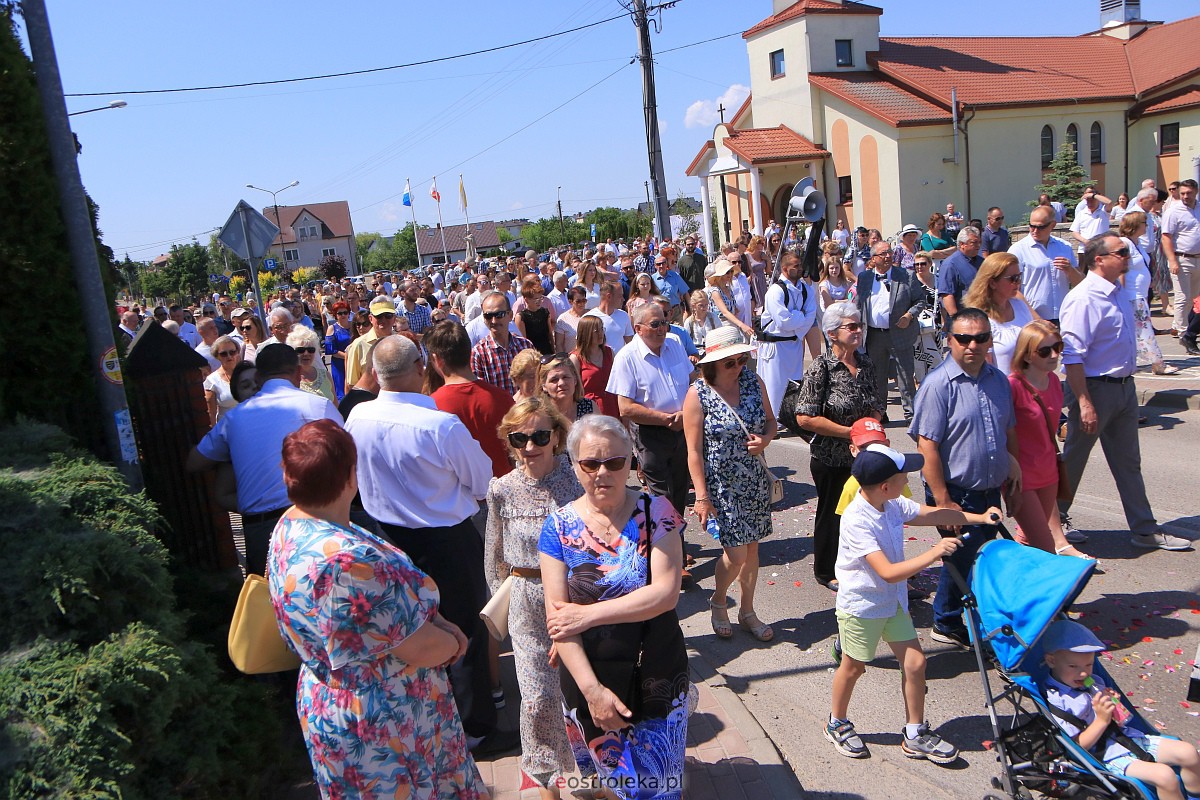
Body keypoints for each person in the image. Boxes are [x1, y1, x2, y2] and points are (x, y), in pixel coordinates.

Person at [268, 419, 485, 799]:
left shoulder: (292, 525)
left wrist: (433, 619)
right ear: (351, 476)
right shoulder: (346, 562)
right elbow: (418, 647)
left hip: (337, 699)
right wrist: (454, 643)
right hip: (386, 717)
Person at [344, 335, 509, 752]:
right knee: (465, 631)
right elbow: (480, 481)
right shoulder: (439, 424)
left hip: (387, 540)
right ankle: (475, 730)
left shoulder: (357, 418)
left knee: (409, 631)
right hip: (445, 540)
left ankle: (435, 720)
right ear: (421, 368)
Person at [539, 415, 689, 800]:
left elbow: (665, 594)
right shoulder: (557, 528)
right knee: (620, 784)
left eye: (615, 462)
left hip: (657, 669)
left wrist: (587, 614)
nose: (602, 472)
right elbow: (559, 623)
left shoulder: (658, 513)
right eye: (590, 463)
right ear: (574, 466)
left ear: (632, 462)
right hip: (591, 678)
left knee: (658, 785)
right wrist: (593, 692)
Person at [825, 445, 995, 762]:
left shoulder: (891, 503)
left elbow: (934, 514)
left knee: (916, 663)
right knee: (854, 667)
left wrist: (980, 518)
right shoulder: (857, 520)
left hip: (893, 604)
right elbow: (887, 573)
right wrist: (934, 552)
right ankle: (837, 722)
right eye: (903, 474)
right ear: (886, 485)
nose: (908, 477)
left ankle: (915, 732)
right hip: (862, 607)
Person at [1057, 232, 1192, 552]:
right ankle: (1052, 522)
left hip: (1124, 389)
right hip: (1095, 389)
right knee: (1074, 458)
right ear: (1099, 259)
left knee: (1128, 462)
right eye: (1120, 252)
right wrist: (1084, 402)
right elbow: (1072, 356)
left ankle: (1144, 529)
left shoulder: (1118, 291)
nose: (1127, 256)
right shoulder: (1083, 298)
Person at [485, 399, 581, 796]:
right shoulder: (501, 489)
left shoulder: (576, 481)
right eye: (519, 437)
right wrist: (500, 606)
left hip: (575, 601)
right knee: (537, 697)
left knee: (574, 692)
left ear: (556, 436)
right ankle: (546, 780)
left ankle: (585, 768)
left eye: (539, 435)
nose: (529, 446)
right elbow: (494, 552)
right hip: (526, 602)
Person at [909, 307, 1020, 648]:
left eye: (981, 338)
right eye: (964, 338)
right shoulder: (938, 385)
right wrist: (943, 500)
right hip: (956, 490)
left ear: (990, 340)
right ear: (949, 340)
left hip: (989, 489)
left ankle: (947, 618)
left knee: (972, 556)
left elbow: (1007, 431)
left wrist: (1012, 466)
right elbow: (927, 446)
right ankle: (952, 621)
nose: (972, 345)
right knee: (965, 557)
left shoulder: (999, 381)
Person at [186, 344, 341, 576]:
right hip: (314, 521)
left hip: (261, 529)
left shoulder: (235, 418)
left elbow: (194, 462)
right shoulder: (317, 406)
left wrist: (235, 452)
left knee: (270, 606)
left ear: (259, 377)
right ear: (298, 373)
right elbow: (348, 459)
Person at [683, 326, 778, 642]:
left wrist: (764, 440)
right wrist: (701, 496)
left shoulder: (752, 381)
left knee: (752, 550)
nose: (738, 367)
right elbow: (693, 450)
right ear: (712, 363)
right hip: (721, 485)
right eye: (730, 362)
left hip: (752, 479)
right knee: (736, 554)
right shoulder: (698, 394)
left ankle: (747, 611)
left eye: (741, 359)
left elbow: (771, 421)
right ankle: (719, 600)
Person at [1042, 620, 1200, 800]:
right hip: (1105, 755)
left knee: (1188, 753)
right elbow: (1075, 749)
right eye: (1074, 666)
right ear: (1051, 661)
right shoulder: (1057, 700)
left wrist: (1114, 705)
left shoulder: (1094, 682)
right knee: (1165, 777)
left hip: (1128, 738)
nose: (1084, 673)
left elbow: (1122, 722)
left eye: (1089, 665)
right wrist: (1101, 720)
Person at [796, 302, 883, 591]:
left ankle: (866, 564)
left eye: (860, 325)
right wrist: (851, 433)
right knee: (832, 515)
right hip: (831, 457)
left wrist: (872, 427)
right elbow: (805, 417)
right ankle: (825, 570)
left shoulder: (866, 363)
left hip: (864, 455)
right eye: (851, 326)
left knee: (866, 514)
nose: (858, 331)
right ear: (832, 334)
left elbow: (876, 404)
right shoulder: (822, 367)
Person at [1006, 321, 1089, 558]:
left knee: (1029, 539)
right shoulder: (1012, 386)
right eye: (1045, 351)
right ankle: (1052, 594)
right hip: (1022, 476)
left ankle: (1021, 584)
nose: (1054, 355)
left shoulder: (1053, 380)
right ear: (1028, 355)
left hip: (1049, 471)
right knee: (1045, 547)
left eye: (1058, 347)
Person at [607, 303, 696, 519]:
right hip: (651, 436)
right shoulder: (626, 357)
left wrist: (686, 414)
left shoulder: (674, 343)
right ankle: (673, 548)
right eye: (655, 324)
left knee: (680, 490)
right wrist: (664, 419)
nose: (661, 329)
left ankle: (675, 543)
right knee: (662, 496)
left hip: (684, 429)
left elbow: (693, 381)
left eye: (664, 322)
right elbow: (625, 408)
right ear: (638, 329)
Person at [425, 320, 515, 480]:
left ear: (437, 360)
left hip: (461, 498)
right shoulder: (503, 398)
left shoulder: (431, 406)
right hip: (503, 488)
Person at [855, 241, 925, 422]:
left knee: (906, 375)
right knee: (877, 376)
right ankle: (880, 412)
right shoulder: (864, 278)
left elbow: (920, 300)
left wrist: (909, 316)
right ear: (873, 259)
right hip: (874, 335)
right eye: (883, 254)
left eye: (890, 252)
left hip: (900, 334)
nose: (888, 256)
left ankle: (911, 414)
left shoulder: (906, 275)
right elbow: (859, 305)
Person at [758, 251, 818, 417]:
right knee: (774, 385)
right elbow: (783, 321)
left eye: (800, 265)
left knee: (794, 382)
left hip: (794, 343)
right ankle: (772, 420)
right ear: (785, 268)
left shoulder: (805, 289)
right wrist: (799, 316)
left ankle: (789, 418)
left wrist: (796, 322)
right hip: (775, 346)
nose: (800, 269)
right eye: (796, 266)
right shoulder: (775, 291)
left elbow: (811, 315)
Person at [1119, 211, 1178, 375]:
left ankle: (1131, 361)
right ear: (1135, 225)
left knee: (1136, 330)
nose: (1147, 226)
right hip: (1131, 295)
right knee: (1144, 329)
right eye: (1144, 223)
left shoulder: (1137, 243)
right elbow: (1121, 270)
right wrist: (1121, 295)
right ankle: (1157, 364)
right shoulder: (1124, 243)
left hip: (1140, 294)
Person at [962, 252, 1037, 375]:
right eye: (1013, 278)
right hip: (1003, 389)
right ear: (992, 283)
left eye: (1019, 276)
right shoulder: (979, 319)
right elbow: (985, 369)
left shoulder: (1020, 306)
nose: (1018, 283)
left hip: (1028, 387)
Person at [1008, 204, 1081, 326]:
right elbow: (1012, 290)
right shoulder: (1018, 250)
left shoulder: (1064, 247)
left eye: (1040, 227)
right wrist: (1038, 319)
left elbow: (1080, 284)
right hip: (1031, 319)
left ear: (1052, 225)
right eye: (1032, 226)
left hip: (1063, 317)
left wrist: (1070, 270)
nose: (1035, 231)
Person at [471, 292, 536, 395]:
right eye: (488, 316)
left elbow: (536, 383)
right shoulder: (479, 353)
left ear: (510, 315)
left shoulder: (525, 346)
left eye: (499, 315)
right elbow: (480, 394)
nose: (493, 321)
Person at [1161, 178, 1200, 338]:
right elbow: (1166, 237)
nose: (1185, 196)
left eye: (1188, 193)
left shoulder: (1198, 208)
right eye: (1182, 193)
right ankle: (1184, 334)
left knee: (1193, 298)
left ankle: (1178, 327)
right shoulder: (1174, 211)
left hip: (1198, 259)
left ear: (1196, 192)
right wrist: (1172, 260)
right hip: (1181, 259)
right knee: (1182, 298)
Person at [343, 295, 396, 392]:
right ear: (371, 318)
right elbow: (352, 384)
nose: (383, 320)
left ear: (394, 318)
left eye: (388, 315)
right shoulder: (358, 345)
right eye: (379, 316)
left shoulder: (400, 342)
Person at [571, 315, 618, 418]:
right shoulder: (576, 358)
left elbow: (618, 382)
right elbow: (574, 390)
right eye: (596, 331)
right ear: (586, 333)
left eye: (602, 329)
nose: (601, 334)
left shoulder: (609, 352)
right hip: (590, 410)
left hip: (612, 405)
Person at [936, 227, 983, 325]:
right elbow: (947, 295)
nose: (978, 245)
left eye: (979, 242)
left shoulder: (981, 262)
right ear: (962, 244)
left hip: (982, 317)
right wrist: (957, 321)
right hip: (963, 320)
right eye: (974, 242)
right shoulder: (950, 264)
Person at [287, 325, 338, 405]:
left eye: (311, 350)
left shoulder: (325, 375)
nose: (306, 354)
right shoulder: (289, 379)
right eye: (301, 350)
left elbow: (336, 406)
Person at [539, 352, 594, 421]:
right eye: (554, 380)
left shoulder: (589, 407)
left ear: (575, 379)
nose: (561, 383)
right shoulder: (538, 414)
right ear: (544, 386)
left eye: (565, 377)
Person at [584, 281, 634, 355]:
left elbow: (631, 344)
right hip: (597, 364)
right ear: (609, 296)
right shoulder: (589, 318)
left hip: (619, 365)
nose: (623, 299)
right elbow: (581, 347)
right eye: (620, 296)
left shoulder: (624, 315)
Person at [202, 335, 241, 425]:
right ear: (217, 356)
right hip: (228, 429)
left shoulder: (247, 373)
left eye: (232, 352)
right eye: (224, 354)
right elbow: (211, 414)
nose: (229, 356)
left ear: (237, 352)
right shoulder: (212, 381)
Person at [516, 275, 557, 355]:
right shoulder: (521, 317)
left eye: (540, 298)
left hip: (547, 351)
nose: (538, 301)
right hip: (532, 353)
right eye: (535, 299)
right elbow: (524, 341)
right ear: (526, 299)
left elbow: (549, 334)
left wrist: (553, 350)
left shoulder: (545, 312)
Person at [324, 301, 354, 401]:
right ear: (335, 315)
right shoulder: (332, 328)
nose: (343, 315)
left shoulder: (354, 326)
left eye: (345, 312)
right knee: (342, 391)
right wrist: (347, 356)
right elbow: (330, 350)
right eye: (340, 313)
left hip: (354, 362)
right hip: (339, 364)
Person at [1070, 187, 1113, 251]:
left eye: (1091, 199)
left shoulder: (1104, 211)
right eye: (1087, 200)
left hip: (1101, 249)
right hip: (1084, 249)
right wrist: (1086, 241)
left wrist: (1093, 195)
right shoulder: (1081, 213)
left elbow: (1109, 202)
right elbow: (1074, 232)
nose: (1089, 202)